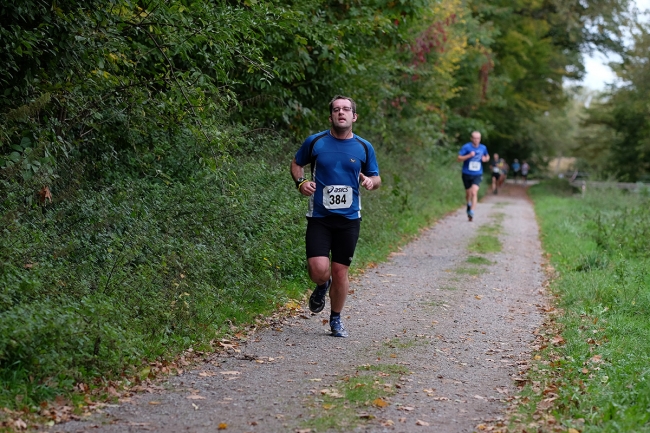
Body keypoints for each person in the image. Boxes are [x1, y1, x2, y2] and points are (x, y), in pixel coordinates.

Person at [290, 95, 381, 338]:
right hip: (320, 216)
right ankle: (322, 285)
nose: (341, 113)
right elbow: (297, 164)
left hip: (349, 220)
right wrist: (301, 182)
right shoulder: (316, 142)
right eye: (336, 109)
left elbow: (376, 176)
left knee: (341, 270)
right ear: (331, 116)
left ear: (354, 116)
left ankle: (336, 319)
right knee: (317, 269)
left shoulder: (363, 147)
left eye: (346, 109)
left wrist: (372, 182)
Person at [457, 131, 489, 221]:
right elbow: (459, 158)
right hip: (466, 173)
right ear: (471, 138)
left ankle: (472, 211)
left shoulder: (483, 147)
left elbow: (487, 156)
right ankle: (468, 204)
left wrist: (485, 159)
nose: (476, 140)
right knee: (468, 194)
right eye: (474, 138)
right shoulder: (466, 147)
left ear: (480, 139)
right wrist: (469, 155)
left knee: (474, 192)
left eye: (478, 138)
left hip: (477, 174)